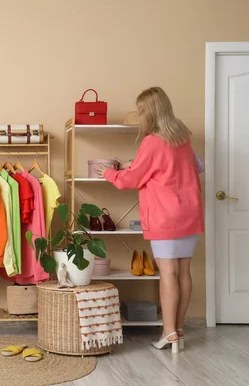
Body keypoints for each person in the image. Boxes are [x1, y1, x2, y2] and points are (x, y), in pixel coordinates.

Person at [94, 87, 204, 354]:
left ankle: (168, 333)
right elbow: (198, 166)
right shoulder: (183, 137)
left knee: (167, 273)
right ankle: (178, 330)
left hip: (166, 217)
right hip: (190, 213)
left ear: (149, 112)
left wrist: (109, 173)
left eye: (141, 111)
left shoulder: (152, 142)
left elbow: (130, 180)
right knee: (183, 272)